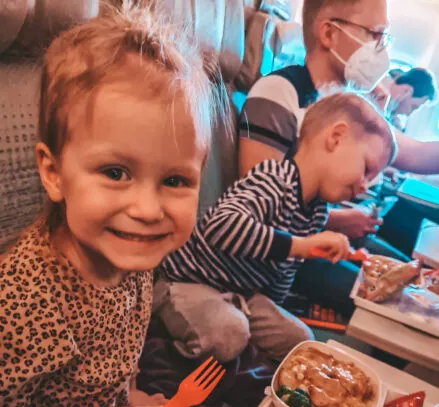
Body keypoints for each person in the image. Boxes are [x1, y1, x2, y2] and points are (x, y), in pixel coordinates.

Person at [0, 6, 228, 407]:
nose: (148, 209)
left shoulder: (130, 258)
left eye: (174, 180)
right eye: (116, 172)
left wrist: (128, 402)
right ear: (53, 173)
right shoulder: (24, 296)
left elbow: (111, 354)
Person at [238, 0, 439, 314]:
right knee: (405, 306)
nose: (382, 49)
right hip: (290, 252)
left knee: (420, 283)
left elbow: (417, 154)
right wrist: (336, 221)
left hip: (326, 234)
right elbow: (256, 208)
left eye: (385, 38)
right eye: (375, 34)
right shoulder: (279, 93)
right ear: (329, 33)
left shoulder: (346, 103)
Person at [155, 92, 396, 363]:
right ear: (336, 137)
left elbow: (281, 277)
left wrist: (275, 310)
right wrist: (299, 246)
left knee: (300, 340)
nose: (365, 185)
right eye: (367, 169)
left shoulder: (316, 211)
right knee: (229, 333)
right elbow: (220, 226)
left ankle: (242, 358)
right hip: (187, 282)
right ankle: (165, 360)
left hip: (240, 295)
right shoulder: (273, 178)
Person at [386, 68, 438, 132]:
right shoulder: (377, 95)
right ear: (406, 91)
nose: (408, 114)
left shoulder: (387, 111)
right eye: (413, 107)